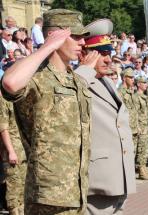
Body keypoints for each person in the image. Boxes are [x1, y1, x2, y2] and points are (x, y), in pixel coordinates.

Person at [1, 9, 92, 214]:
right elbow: (10, 82)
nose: (82, 43)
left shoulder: (76, 80)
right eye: (75, 37)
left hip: (76, 190)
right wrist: (47, 47)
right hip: (48, 196)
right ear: (55, 36)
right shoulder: (37, 77)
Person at [76, 19, 136, 214]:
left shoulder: (106, 82)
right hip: (98, 180)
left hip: (118, 177)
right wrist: (84, 69)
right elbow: (68, 98)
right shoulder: (78, 80)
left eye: (109, 53)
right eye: (101, 54)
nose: (108, 59)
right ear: (85, 54)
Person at [0, 94, 29, 215]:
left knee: (23, 187)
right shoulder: (2, 99)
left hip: (22, 150)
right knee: (14, 188)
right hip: (13, 152)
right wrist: (11, 151)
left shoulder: (16, 97)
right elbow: (3, 128)